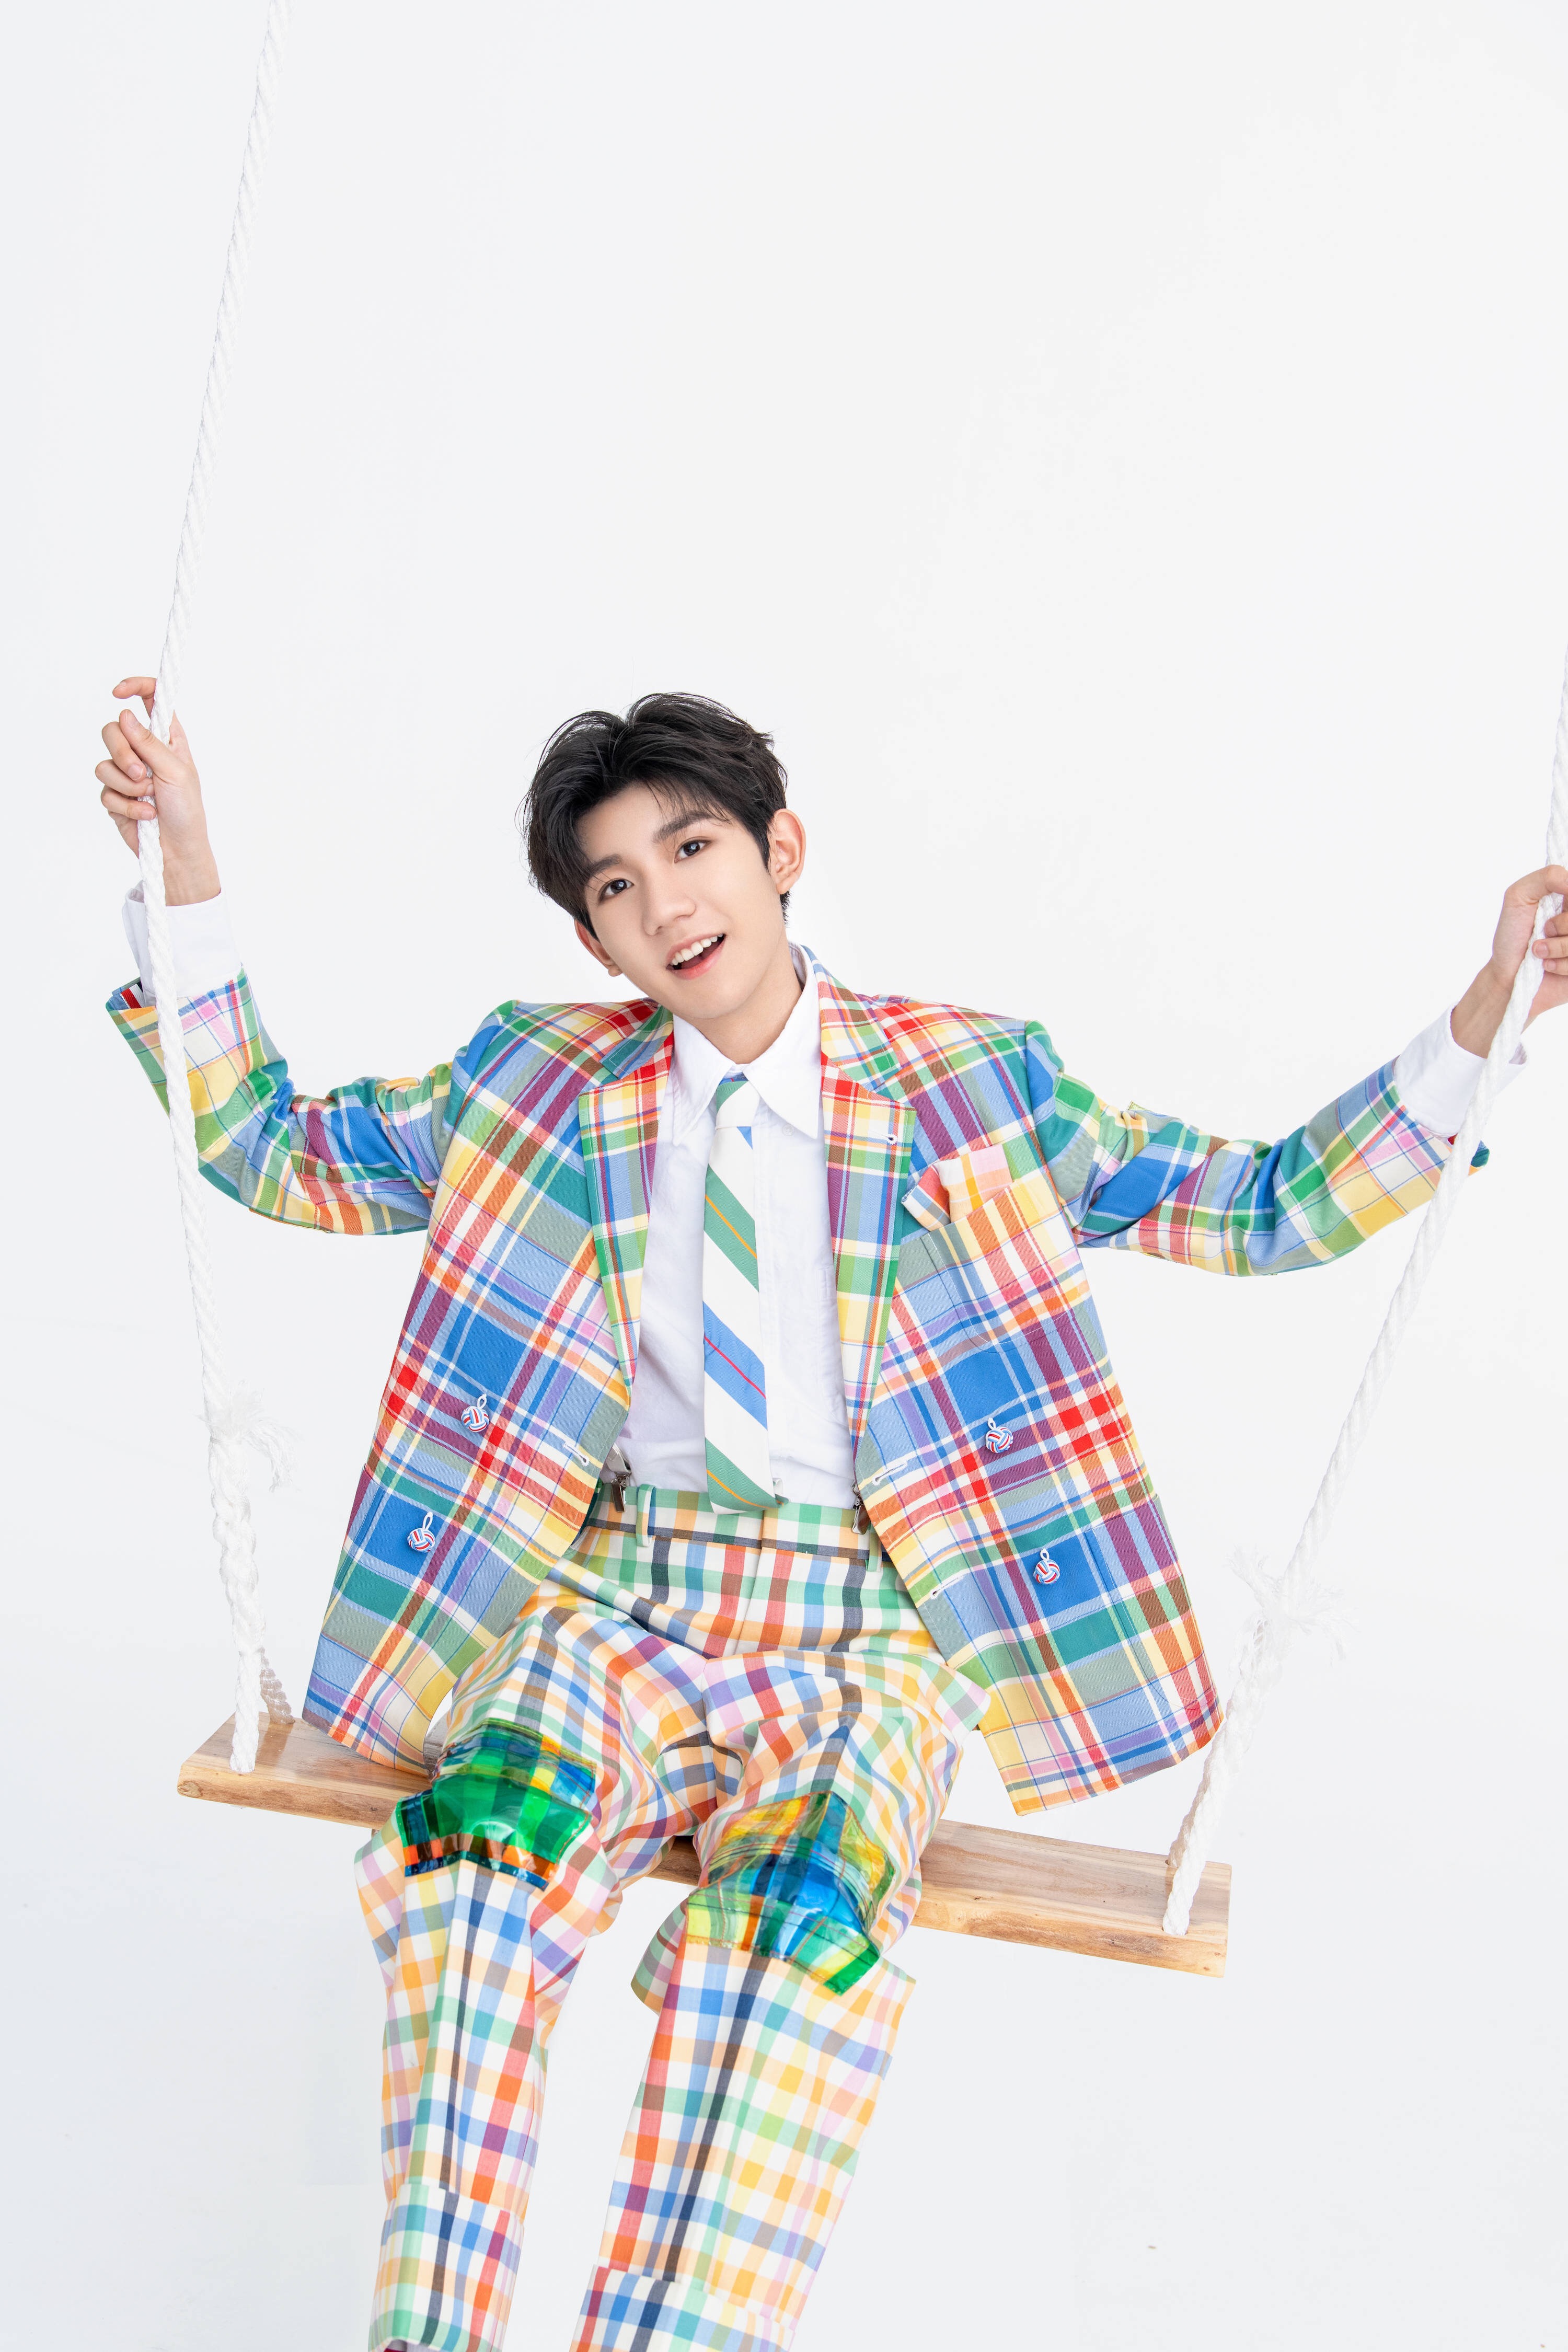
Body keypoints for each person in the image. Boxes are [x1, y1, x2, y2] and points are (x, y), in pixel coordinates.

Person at [98, 677, 1567, 2352]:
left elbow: (1265, 1207)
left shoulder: (975, 1083)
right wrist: (182, 859)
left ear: (781, 848)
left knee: (787, 1955)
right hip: (613, 1601)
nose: (668, 904)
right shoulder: (532, 1081)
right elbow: (271, 1149)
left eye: (694, 848)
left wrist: (1489, 1010)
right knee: (474, 1871)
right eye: (617, 885)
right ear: (593, 941)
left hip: (863, 1633)